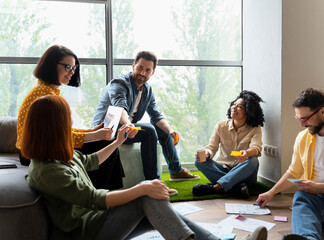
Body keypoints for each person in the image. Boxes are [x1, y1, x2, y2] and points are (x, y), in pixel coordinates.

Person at [23, 95, 267, 240]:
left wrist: (117, 142)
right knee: (145, 197)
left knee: (154, 203)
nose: (71, 124)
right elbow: (94, 198)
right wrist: (142, 189)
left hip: (95, 220)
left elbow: (90, 161)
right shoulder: (47, 171)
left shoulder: (59, 155)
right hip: (85, 233)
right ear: (53, 128)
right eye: (67, 121)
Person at [256, 88, 324, 240]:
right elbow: (294, 170)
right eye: (299, 119)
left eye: (305, 119)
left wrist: (318, 187)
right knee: (301, 197)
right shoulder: (302, 138)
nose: (302, 125)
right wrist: (271, 192)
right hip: (321, 198)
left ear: (323, 111)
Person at [16, 45, 124, 190]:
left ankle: (109, 193)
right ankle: (105, 194)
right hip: (35, 152)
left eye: (73, 68)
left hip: (40, 147)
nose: (72, 72)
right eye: (68, 67)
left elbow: (61, 130)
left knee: (105, 145)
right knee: (105, 146)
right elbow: (57, 137)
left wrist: (91, 132)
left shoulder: (48, 90)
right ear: (52, 65)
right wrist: (94, 136)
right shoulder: (45, 95)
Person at [92, 50, 199, 183]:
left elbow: (156, 115)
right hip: (109, 129)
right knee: (149, 130)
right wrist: (128, 124)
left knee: (163, 130)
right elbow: (120, 107)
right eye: (140, 68)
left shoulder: (147, 90)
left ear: (152, 72)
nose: (142, 73)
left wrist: (170, 130)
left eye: (147, 70)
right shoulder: (119, 83)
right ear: (133, 66)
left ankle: (176, 171)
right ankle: (153, 182)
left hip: (127, 127)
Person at [192, 90, 265, 198]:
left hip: (245, 173)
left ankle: (215, 188)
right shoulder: (221, 126)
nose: (234, 108)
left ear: (248, 111)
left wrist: (246, 153)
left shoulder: (255, 128)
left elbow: (256, 148)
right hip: (223, 168)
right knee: (199, 162)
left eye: (239, 106)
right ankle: (236, 187)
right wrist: (207, 153)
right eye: (233, 104)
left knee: (253, 160)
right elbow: (212, 147)